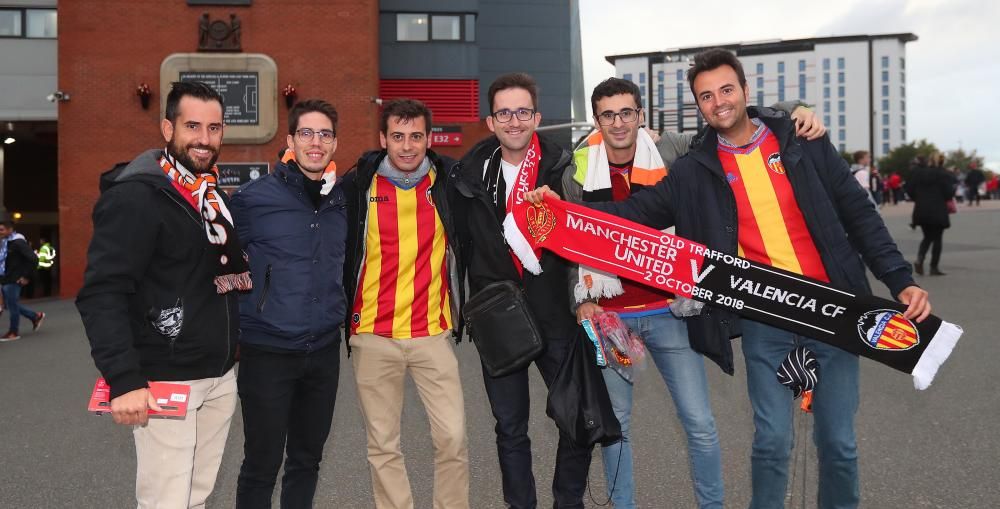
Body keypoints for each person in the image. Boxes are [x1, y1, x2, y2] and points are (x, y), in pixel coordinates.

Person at [528, 48, 931, 509]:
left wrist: (901, 280)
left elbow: (859, 214)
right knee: (772, 442)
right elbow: (630, 215)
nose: (718, 102)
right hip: (764, 316)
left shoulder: (803, 142)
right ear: (697, 105)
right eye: (705, 96)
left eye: (725, 90)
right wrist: (561, 213)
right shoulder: (695, 169)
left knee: (838, 444)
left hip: (833, 311)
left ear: (744, 90)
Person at [562, 77, 826, 509]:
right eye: (608, 114)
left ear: (641, 115)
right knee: (618, 427)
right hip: (610, 317)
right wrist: (581, 299)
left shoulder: (672, 150)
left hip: (671, 311)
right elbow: (571, 239)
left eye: (627, 112)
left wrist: (796, 106)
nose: (619, 122)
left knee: (700, 423)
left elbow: (731, 119)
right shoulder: (576, 167)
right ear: (597, 120)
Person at [76, 81, 247, 508]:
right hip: (167, 378)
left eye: (214, 128)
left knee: (196, 496)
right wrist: (125, 380)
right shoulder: (138, 195)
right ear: (167, 128)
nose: (204, 139)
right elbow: (103, 293)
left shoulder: (208, 196)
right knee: (166, 501)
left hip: (218, 374)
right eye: (193, 126)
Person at [458, 72, 595, 509]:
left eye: (522, 112)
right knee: (510, 429)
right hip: (499, 317)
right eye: (504, 113)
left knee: (578, 417)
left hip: (557, 313)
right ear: (490, 121)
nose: (513, 121)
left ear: (536, 117)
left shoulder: (566, 167)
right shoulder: (467, 175)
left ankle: (566, 502)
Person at [342, 98, 469, 509]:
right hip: (373, 336)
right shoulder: (358, 186)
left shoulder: (448, 183)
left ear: (429, 139)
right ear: (383, 139)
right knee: (383, 445)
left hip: (432, 333)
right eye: (398, 136)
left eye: (416, 136)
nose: (408, 146)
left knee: (452, 437)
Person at [230, 99, 347, 508]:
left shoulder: (342, 200)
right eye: (307, 133)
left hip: (323, 351)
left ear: (335, 143)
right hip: (268, 351)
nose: (316, 142)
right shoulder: (251, 200)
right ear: (291, 140)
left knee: (307, 460)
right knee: (261, 464)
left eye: (325, 134)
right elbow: (218, 265)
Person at [907, 153, 955, 276]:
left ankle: (920, 258)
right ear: (941, 162)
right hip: (938, 208)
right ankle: (934, 267)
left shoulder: (919, 173)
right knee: (937, 238)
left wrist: (918, 198)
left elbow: (909, 189)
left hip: (921, 208)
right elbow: (949, 193)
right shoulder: (944, 174)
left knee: (927, 236)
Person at [0, 218, 43, 341]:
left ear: (10, 229)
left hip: (14, 279)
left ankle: (13, 332)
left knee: (12, 306)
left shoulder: (18, 242)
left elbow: (34, 259)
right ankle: (35, 316)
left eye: (2, 230)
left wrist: (26, 276)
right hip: (5, 278)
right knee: (9, 305)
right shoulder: (5, 242)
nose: (0, 232)